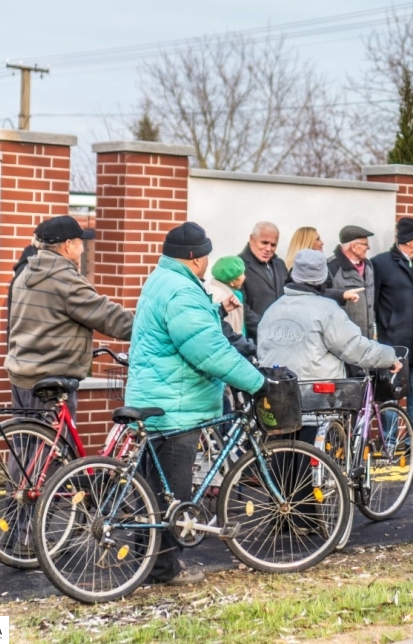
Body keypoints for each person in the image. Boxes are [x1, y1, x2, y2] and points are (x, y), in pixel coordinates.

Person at [126, 222, 267, 586]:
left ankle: (146, 563)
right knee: (173, 494)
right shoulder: (182, 290)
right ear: (194, 258)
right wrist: (256, 383)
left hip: (158, 396)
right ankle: (165, 569)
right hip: (177, 404)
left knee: (152, 491)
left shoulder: (163, 279)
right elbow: (208, 350)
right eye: (205, 255)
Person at [7, 215, 133, 424]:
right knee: (57, 443)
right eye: (80, 242)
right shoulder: (65, 280)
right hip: (49, 382)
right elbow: (108, 316)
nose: (83, 248)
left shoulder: (27, 272)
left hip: (22, 377)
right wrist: (148, 327)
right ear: (68, 245)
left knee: (26, 441)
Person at [260, 249, 401, 388]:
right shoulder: (327, 310)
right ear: (323, 277)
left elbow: (262, 354)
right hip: (317, 393)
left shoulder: (272, 310)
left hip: (278, 392)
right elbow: (354, 347)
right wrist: (389, 357)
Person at [371, 217, 413, 458]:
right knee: (392, 396)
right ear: (408, 240)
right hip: (393, 341)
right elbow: (374, 302)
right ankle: (389, 443)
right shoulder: (380, 263)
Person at [239, 221, 288, 339]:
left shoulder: (280, 264)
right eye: (264, 243)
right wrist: (267, 330)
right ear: (251, 239)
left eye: (273, 245)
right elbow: (240, 308)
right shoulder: (239, 266)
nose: (268, 249)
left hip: (283, 338)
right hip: (255, 341)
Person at [327, 225, 377, 341]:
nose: (368, 247)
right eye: (365, 244)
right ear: (354, 246)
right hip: (343, 341)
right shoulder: (331, 267)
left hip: (368, 340)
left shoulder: (368, 265)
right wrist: (342, 295)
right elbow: (322, 296)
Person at [205, 255, 247, 337]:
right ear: (232, 281)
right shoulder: (223, 297)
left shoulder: (213, 289)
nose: (244, 277)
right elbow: (227, 332)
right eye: (242, 273)